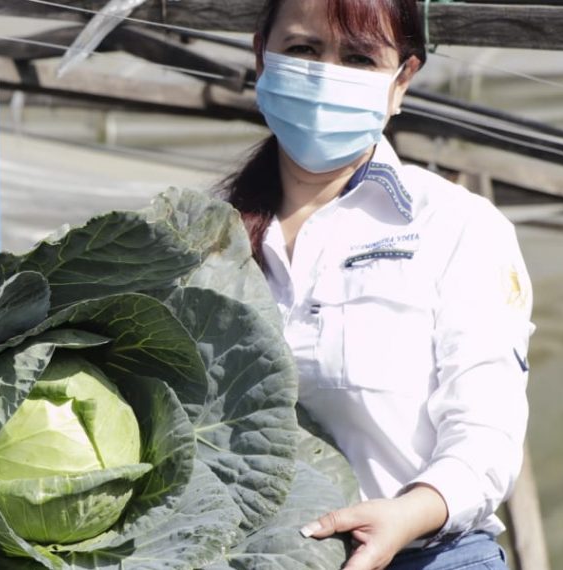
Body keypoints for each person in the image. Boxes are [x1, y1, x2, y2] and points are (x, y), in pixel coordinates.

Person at [221, 1, 533, 569]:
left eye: (359, 58)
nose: (325, 74)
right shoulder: (205, 240)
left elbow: (486, 429)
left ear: (401, 81)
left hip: (430, 556)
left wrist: (410, 512)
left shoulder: (455, 225)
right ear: (261, 57)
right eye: (303, 49)